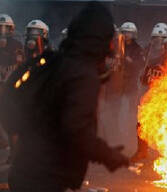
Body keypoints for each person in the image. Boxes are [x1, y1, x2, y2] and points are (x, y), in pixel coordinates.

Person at [2, 2, 130, 191]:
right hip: (46, 178)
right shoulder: (82, 74)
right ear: (99, 39)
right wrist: (108, 155)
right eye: (108, 40)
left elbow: (8, 96)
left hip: (26, 170)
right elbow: (76, 130)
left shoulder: (53, 60)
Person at [131, 36, 167, 162]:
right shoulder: (154, 62)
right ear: (163, 49)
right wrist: (145, 77)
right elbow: (145, 79)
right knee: (142, 122)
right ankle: (142, 151)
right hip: (154, 99)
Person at [0, 13, 23, 163]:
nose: (2, 32)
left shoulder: (16, 45)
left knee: (11, 120)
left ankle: (14, 154)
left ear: (12, 30)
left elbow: (20, 65)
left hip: (11, 88)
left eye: (5, 29)